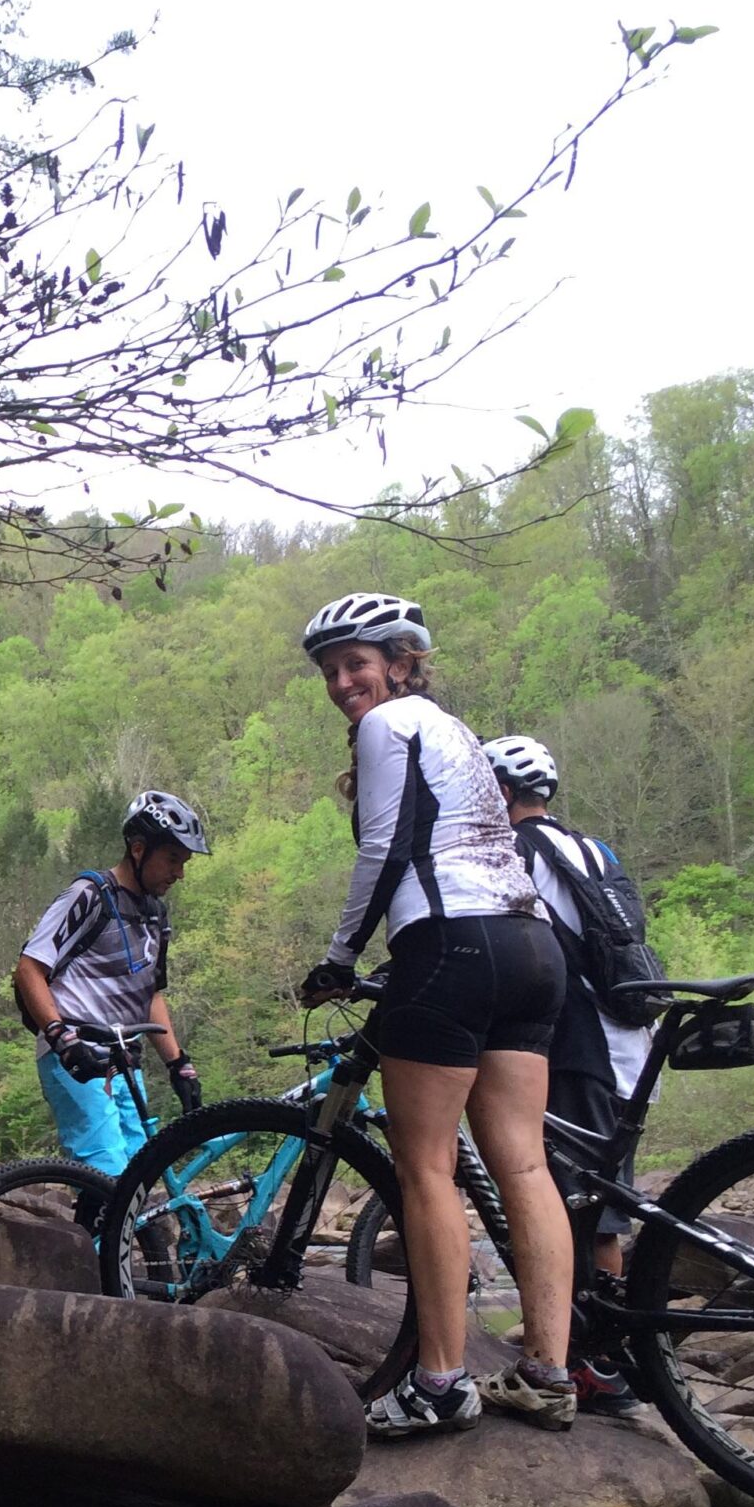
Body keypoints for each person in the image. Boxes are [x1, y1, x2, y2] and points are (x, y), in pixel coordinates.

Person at [294, 593, 577, 1437]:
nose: (345, 682)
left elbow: (385, 847)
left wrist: (339, 957)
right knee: (524, 1168)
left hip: (451, 945)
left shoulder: (391, 726)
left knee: (427, 1171)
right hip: (531, 949)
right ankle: (549, 1373)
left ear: (401, 661)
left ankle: (440, 1382)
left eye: (358, 663)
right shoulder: (451, 729)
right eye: (332, 670)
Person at [485, 733, 654, 1413]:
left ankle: (597, 1364)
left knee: (578, 1204)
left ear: (500, 793)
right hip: (627, 1040)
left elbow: (508, 947)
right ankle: (594, 1347)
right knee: (602, 1202)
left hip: (576, 1044)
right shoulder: (595, 850)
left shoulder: (517, 853)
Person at [13, 789, 210, 1181]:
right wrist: (60, 1037)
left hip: (124, 1058)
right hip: (75, 1052)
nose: (179, 873)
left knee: (141, 1178)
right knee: (109, 1175)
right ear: (138, 849)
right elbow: (29, 968)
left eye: (184, 863)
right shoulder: (88, 895)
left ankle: (104, 1239)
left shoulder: (155, 912)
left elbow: (150, 993)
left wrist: (178, 1065)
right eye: (173, 859)